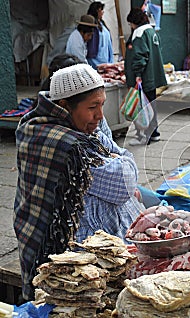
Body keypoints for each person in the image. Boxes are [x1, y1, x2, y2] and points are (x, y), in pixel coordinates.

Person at [14, 63, 143, 300]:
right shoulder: (64, 143)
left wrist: (118, 157)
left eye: (102, 105)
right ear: (64, 106)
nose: (100, 116)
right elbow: (124, 183)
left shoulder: (77, 127)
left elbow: (109, 149)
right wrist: (120, 157)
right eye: (93, 107)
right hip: (61, 252)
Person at [125, 8, 167, 145]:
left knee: (142, 108)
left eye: (130, 23)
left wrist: (137, 74)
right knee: (150, 106)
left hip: (144, 76)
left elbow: (140, 55)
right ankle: (154, 133)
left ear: (134, 22)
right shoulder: (151, 31)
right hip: (152, 76)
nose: (130, 26)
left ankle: (143, 136)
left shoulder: (139, 33)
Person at [86, 1, 114, 69]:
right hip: (95, 58)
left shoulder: (102, 23)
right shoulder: (91, 25)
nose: (102, 12)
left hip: (105, 56)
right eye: (100, 10)